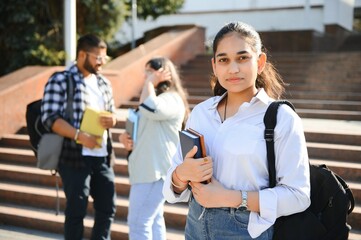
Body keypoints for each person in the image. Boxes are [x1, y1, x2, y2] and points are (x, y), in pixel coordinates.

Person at [162, 21, 311, 239]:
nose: (233, 69)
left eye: (242, 58)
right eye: (224, 60)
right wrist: (181, 174)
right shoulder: (202, 113)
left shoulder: (281, 118)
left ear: (260, 62)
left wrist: (230, 197)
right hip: (195, 226)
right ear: (214, 66)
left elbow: (299, 195)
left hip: (245, 230)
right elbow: (172, 186)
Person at [41, 34, 117, 240]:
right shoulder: (61, 79)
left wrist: (113, 120)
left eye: (105, 58)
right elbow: (49, 118)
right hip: (74, 157)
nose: (102, 62)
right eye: (97, 58)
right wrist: (80, 136)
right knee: (76, 211)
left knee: (107, 208)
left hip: (102, 156)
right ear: (82, 55)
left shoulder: (104, 83)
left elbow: (111, 112)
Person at [119, 57, 189, 240]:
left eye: (150, 71)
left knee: (138, 223)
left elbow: (151, 108)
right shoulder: (157, 98)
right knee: (154, 220)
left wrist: (150, 82)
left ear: (164, 74)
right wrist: (125, 138)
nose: (145, 76)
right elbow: (142, 123)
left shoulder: (172, 99)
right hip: (147, 169)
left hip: (154, 171)